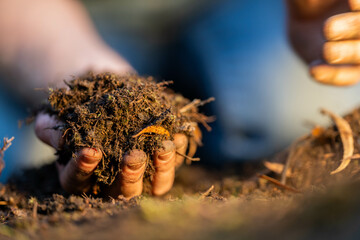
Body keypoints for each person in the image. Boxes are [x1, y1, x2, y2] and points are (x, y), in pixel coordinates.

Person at [0, 0, 359, 199]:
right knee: (23, 155)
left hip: (226, 13)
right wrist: (76, 73)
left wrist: (327, 17)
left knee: (285, 104)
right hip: (72, 30)